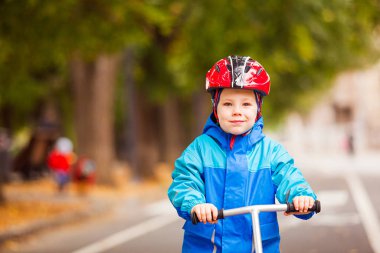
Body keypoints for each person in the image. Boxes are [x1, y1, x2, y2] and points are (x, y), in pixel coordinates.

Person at [168, 55, 317, 253]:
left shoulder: (271, 152)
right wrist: (195, 204)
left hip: (257, 243)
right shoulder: (200, 149)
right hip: (208, 245)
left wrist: (300, 197)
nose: (237, 111)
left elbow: (290, 178)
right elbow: (184, 181)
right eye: (228, 104)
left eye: (246, 104)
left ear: (258, 109)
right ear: (216, 108)